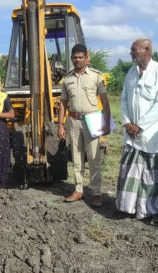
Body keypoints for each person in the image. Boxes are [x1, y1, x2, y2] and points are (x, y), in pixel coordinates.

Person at [115, 38, 158, 220]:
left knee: (149, 173)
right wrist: (127, 123)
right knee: (129, 170)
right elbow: (124, 100)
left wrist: (140, 126)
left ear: (147, 50)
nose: (131, 53)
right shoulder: (131, 72)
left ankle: (149, 210)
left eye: (134, 50)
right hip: (131, 132)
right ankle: (127, 207)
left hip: (150, 133)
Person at [58, 43, 111, 206]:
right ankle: (78, 190)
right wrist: (61, 125)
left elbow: (104, 101)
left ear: (86, 58)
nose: (77, 60)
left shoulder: (96, 75)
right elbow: (63, 103)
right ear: (71, 59)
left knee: (94, 157)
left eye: (80, 57)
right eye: (74, 57)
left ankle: (96, 193)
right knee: (76, 157)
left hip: (93, 119)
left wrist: (106, 123)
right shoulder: (67, 78)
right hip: (73, 120)